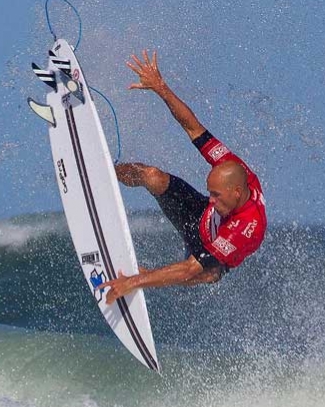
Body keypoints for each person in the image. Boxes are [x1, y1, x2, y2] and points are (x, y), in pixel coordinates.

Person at [99, 50, 266, 305]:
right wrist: (160, 87)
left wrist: (131, 282)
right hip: (196, 217)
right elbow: (193, 127)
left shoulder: (247, 227)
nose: (211, 201)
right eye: (210, 193)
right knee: (152, 176)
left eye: (216, 195)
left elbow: (190, 269)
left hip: (210, 251)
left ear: (236, 192)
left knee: (208, 274)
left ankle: (146, 279)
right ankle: (109, 171)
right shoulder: (232, 167)